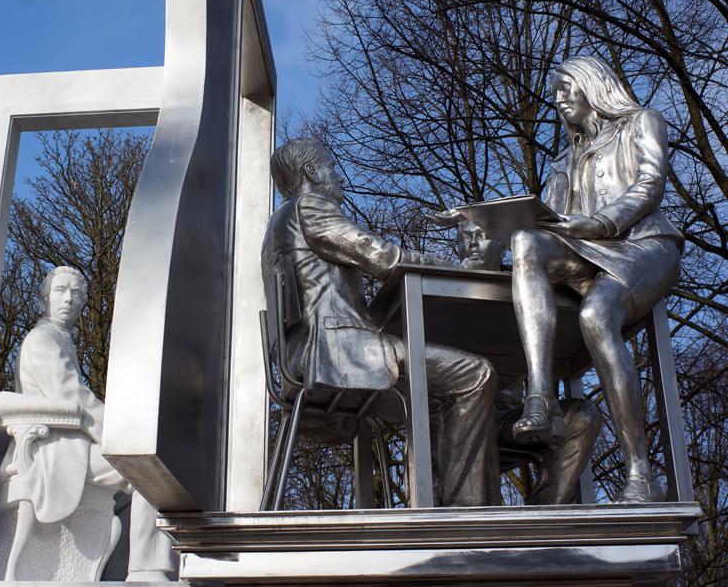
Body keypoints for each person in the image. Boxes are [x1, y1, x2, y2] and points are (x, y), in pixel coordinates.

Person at [262, 139, 498, 507]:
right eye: (331, 166)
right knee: (476, 374)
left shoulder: (276, 225)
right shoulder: (311, 206)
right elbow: (382, 256)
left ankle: (433, 502)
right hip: (338, 351)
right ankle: (466, 510)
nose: (338, 177)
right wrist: (459, 268)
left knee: (436, 397)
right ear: (310, 172)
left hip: (301, 358)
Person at [508, 56, 683, 503]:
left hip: (644, 244)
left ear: (593, 85)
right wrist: (485, 232)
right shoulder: (562, 159)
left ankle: (641, 475)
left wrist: (602, 222)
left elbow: (650, 186)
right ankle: (541, 397)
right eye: (555, 94)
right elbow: (546, 221)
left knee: (596, 315)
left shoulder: (642, 121)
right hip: (588, 249)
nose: (559, 99)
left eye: (567, 88)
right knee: (525, 241)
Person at [0, 266, 174, 579]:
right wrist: (125, 436)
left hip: (68, 444)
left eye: (77, 294)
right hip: (52, 450)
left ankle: (129, 569)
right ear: (43, 301)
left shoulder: (60, 339)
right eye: (60, 291)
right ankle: (146, 570)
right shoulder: (43, 340)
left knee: (144, 473)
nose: (69, 298)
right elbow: (76, 400)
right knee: (148, 472)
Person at [457, 220, 602, 505]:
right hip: (461, 417)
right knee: (478, 411)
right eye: (465, 237)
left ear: (503, 246)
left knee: (583, 415)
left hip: (513, 419)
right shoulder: (440, 288)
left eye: (483, 236)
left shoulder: (534, 296)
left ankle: (547, 513)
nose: (472, 244)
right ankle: (488, 523)